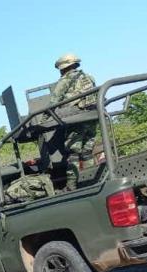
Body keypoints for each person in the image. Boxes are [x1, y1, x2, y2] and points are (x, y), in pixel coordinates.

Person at [49, 53, 98, 191]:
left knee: (73, 153)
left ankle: (72, 185)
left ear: (64, 68)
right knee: (88, 151)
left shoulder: (65, 80)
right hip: (92, 117)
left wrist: (43, 120)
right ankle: (91, 180)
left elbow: (53, 102)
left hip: (76, 119)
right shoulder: (89, 77)